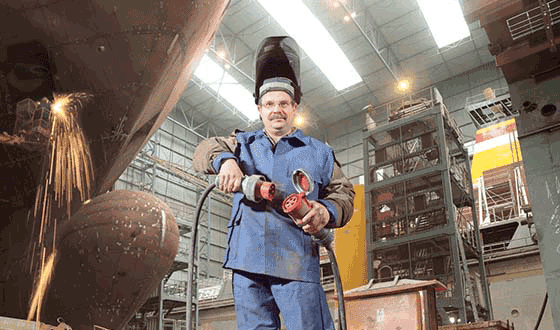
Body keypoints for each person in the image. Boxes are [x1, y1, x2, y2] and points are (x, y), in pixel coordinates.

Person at [193, 37, 355, 330]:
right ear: (259, 108)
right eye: (269, 104)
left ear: (295, 107)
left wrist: (325, 212)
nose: (276, 110)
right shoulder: (241, 144)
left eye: (283, 103)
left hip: (297, 262)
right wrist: (226, 161)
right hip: (246, 264)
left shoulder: (319, 152)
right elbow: (203, 151)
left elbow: (344, 194)